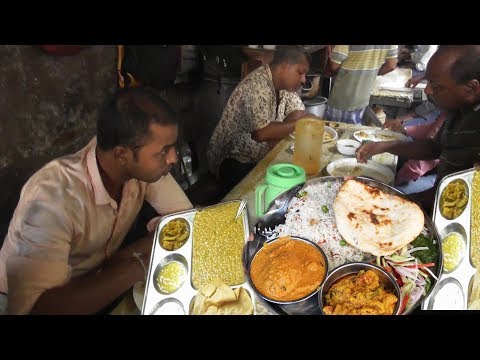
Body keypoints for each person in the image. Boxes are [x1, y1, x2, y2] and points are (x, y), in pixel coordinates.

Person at [0, 86, 193, 314]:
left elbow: (185, 218)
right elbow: (40, 306)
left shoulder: (141, 168)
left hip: (96, 276)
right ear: (122, 154)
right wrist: (139, 264)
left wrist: (133, 257)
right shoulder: (53, 196)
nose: (174, 158)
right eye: (164, 151)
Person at [356, 45, 480, 213]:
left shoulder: (474, 126)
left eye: (437, 87)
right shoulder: (460, 107)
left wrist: (401, 203)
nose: (428, 90)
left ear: (471, 89)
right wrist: (382, 147)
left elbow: (459, 198)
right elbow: (434, 148)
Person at [207, 45, 314, 194]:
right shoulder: (257, 84)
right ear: (285, 66)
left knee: (299, 178)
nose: (303, 80)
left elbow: (298, 110)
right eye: (300, 73)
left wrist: (278, 134)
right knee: (277, 192)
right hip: (234, 160)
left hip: (261, 157)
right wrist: (297, 125)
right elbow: (261, 133)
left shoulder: (283, 85)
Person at [324, 45, 398, 125]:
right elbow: (391, 65)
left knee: (333, 131)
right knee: (353, 133)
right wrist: (370, 74)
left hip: (342, 97)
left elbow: (334, 65)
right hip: (363, 97)